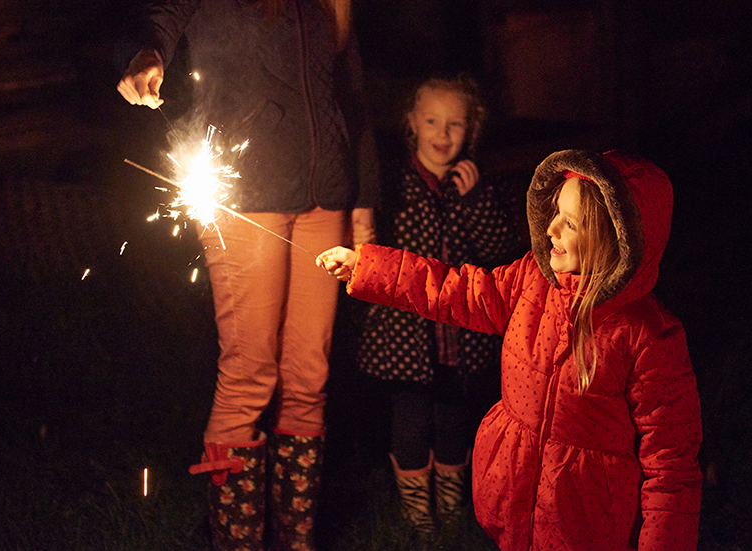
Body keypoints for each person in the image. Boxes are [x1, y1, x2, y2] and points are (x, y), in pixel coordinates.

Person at [318, 149, 703, 550]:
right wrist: (368, 268)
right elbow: (458, 292)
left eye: (570, 223)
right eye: (554, 211)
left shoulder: (648, 337)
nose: (550, 228)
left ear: (616, 236)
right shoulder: (530, 281)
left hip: (586, 518)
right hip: (514, 487)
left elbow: (671, 468)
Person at [115, 1, 378, 550]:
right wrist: (145, 55)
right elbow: (156, 18)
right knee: (249, 372)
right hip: (246, 201)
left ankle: (294, 541)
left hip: (325, 196)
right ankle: (235, 541)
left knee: (309, 373)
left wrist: (363, 196)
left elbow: (350, 90)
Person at [353, 76, 517, 536]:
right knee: (409, 421)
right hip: (405, 331)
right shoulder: (395, 183)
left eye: (455, 124)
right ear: (411, 123)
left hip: (458, 332)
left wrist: (474, 200)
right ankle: (417, 514)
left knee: (453, 418)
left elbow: (497, 248)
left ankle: (450, 503)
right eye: (431, 121)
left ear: (471, 130)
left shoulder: (477, 184)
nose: (442, 134)